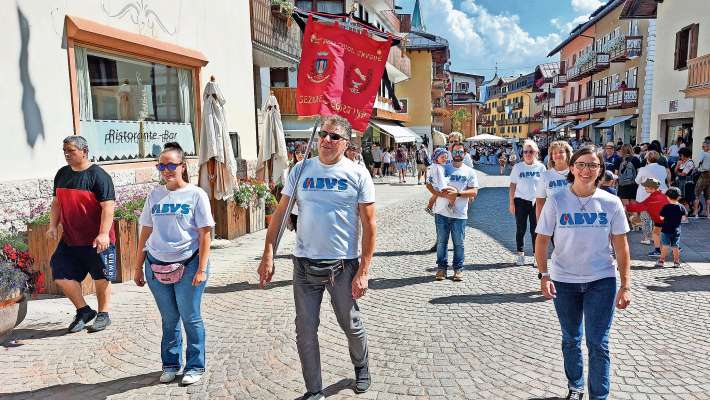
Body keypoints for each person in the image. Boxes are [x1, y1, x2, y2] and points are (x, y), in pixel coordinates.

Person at [258, 115, 376, 400]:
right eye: (323, 134)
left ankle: (361, 366)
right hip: (304, 266)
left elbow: (370, 226)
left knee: (351, 324)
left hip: (342, 266)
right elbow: (280, 215)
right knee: (305, 330)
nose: (326, 140)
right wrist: (268, 253)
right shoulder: (301, 170)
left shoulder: (357, 174)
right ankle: (314, 390)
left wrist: (364, 270)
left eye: (334, 137)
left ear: (346, 143)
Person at [535, 145, 632, 400]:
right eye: (581, 165)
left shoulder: (611, 203)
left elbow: (621, 247)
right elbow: (542, 240)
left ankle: (598, 396)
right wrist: (544, 275)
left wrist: (626, 285)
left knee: (598, 342)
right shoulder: (556, 200)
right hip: (564, 280)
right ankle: (575, 387)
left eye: (592, 165)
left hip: (601, 280)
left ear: (601, 170)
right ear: (572, 168)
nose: (586, 170)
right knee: (571, 338)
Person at [133, 142, 214, 385]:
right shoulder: (154, 195)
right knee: (169, 318)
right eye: (162, 165)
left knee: (190, 317)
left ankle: (195, 366)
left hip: (189, 263)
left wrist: (201, 269)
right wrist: (138, 266)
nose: (166, 170)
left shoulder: (196, 194)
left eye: (171, 165)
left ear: (183, 166)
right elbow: (145, 231)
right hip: (156, 265)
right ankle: (170, 364)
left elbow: (205, 235)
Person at [48, 135, 116, 333]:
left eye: (71, 151)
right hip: (70, 239)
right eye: (65, 151)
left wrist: (103, 233)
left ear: (84, 151)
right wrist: (53, 225)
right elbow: (57, 203)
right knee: (60, 274)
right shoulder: (62, 174)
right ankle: (84, 310)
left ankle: (103, 314)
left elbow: (108, 206)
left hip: (96, 239)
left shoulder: (99, 176)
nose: (67, 155)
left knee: (101, 277)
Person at [427, 142, 479, 282]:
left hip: (460, 213)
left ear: (465, 154)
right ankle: (441, 269)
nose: (457, 154)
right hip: (442, 212)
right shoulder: (443, 167)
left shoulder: (469, 171)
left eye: (460, 152)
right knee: (441, 243)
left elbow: (474, 191)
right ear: (450, 152)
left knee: (459, 243)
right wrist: (439, 194)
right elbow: (430, 183)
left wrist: (458, 193)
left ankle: (458, 269)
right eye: (455, 152)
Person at [509, 140, 546, 266]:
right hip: (520, 201)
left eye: (531, 151)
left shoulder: (541, 167)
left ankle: (537, 256)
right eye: (525, 151)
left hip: (536, 201)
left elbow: (545, 186)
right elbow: (512, 185)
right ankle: (520, 255)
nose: (528, 154)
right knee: (520, 229)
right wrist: (511, 203)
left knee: (535, 229)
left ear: (536, 152)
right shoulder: (518, 167)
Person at [625, 178, 669, 258]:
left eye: (646, 186)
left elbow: (639, 207)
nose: (644, 188)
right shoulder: (661, 195)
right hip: (665, 219)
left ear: (652, 188)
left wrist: (625, 207)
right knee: (661, 234)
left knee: (657, 234)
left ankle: (659, 251)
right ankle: (674, 248)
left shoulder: (652, 198)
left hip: (661, 220)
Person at [535, 140, 572, 220]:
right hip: (552, 219)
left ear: (567, 154)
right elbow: (540, 202)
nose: (558, 155)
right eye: (554, 153)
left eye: (561, 152)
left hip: (574, 219)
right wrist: (540, 225)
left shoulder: (576, 173)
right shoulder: (545, 176)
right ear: (551, 156)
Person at [656, 187, 686, 268]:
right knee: (675, 246)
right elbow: (684, 218)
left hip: (665, 229)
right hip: (676, 230)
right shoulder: (681, 207)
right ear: (678, 197)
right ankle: (676, 262)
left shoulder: (666, 207)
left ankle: (661, 261)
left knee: (665, 245)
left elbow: (661, 218)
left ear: (668, 197)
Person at [425, 148, 457, 214]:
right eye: (442, 157)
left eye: (446, 157)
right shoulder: (438, 167)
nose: (444, 159)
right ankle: (450, 205)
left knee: (434, 196)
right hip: (438, 186)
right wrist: (444, 186)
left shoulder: (434, 165)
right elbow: (441, 179)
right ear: (437, 158)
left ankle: (429, 207)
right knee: (454, 191)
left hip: (434, 185)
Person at [616, 144, 641, 208]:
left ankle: (626, 217)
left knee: (625, 206)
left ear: (622, 150)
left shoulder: (618, 160)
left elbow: (616, 174)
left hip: (622, 185)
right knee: (633, 204)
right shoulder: (636, 159)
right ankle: (634, 216)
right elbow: (639, 173)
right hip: (633, 184)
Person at [692, 138, 710, 218]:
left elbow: (699, 161)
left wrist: (696, 168)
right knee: (708, 195)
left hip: (704, 174)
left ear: (708, 146)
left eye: (703, 146)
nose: (702, 148)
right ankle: (708, 213)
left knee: (697, 193)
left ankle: (695, 212)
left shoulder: (703, 153)